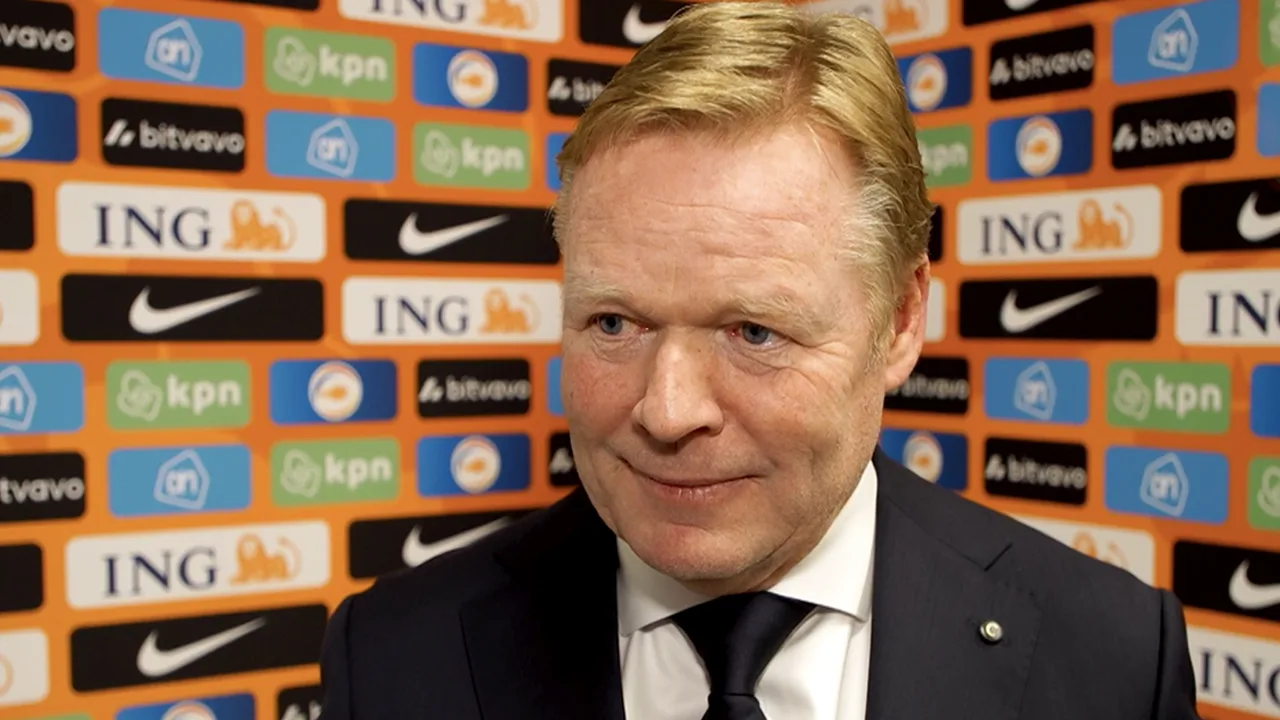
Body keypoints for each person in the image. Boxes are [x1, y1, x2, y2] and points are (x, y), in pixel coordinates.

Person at [317, 3, 1203, 718]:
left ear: (900, 321)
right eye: (615, 323)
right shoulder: (395, 658)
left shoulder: (1112, 659)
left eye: (753, 333)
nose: (668, 411)